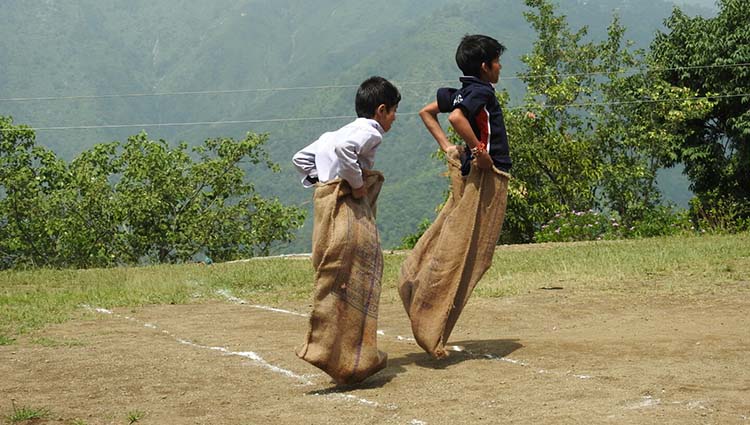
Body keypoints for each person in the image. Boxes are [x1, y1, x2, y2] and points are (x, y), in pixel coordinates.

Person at [398, 34, 511, 359]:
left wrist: (448, 147)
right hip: (487, 176)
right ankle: (429, 317)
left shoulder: (464, 90)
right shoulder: (479, 91)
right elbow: (456, 118)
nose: (500, 66)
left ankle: (422, 298)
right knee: (468, 252)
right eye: (496, 61)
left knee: (462, 244)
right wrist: (479, 151)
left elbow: (426, 112)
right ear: (485, 66)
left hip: (476, 172)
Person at [292, 76, 400, 384]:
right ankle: (351, 354)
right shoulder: (370, 132)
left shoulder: (334, 132)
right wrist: (354, 186)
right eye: (393, 111)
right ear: (381, 110)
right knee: (365, 269)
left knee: (334, 270)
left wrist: (321, 180)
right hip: (347, 209)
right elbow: (344, 150)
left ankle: (336, 350)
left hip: (325, 208)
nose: (393, 118)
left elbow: (300, 159)